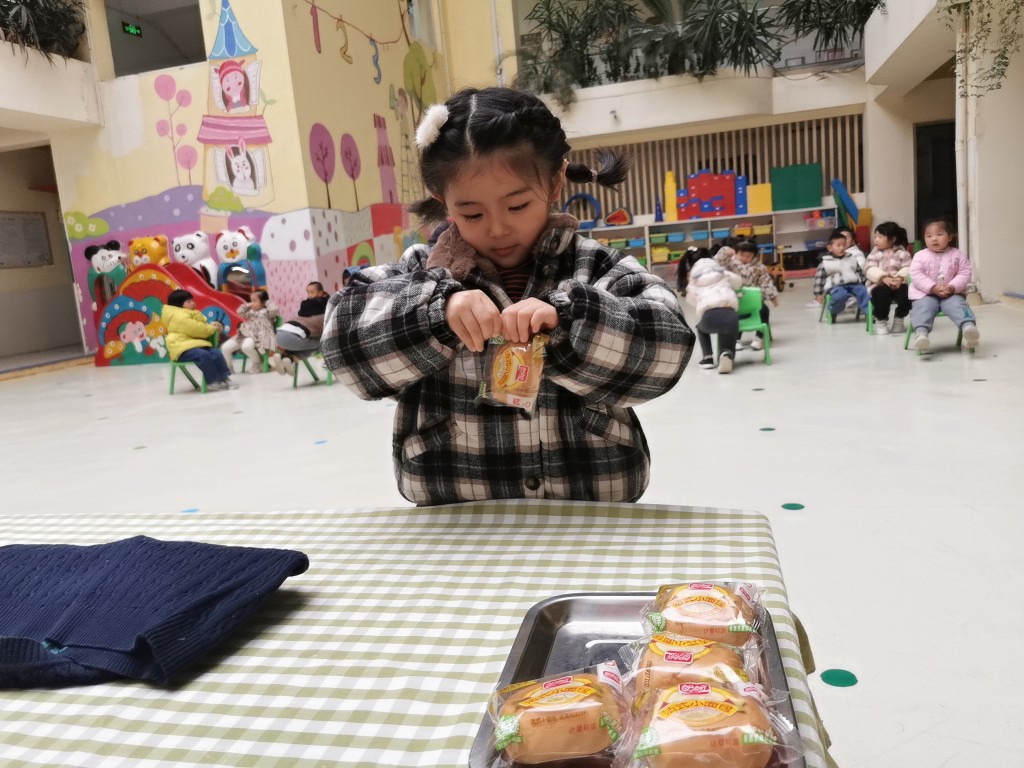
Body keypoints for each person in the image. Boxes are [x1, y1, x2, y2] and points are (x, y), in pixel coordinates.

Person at [320, 86, 693, 506]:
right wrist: (433, 314)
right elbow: (342, 344)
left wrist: (569, 322)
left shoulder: (597, 267)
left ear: (555, 182)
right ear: (444, 201)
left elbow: (668, 349)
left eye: (517, 206)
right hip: (456, 510)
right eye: (472, 213)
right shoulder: (420, 273)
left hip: (591, 505)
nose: (497, 229)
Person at [908, 218, 980, 351]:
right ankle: (921, 334)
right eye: (929, 236)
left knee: (958, 305)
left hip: (951, 293)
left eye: (939, 234)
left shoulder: (957, 254)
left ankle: (968, 328)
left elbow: (965, 272)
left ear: (950, 237)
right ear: (924, 239)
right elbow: (916, 275)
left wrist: (952, 286)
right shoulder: (919, 256)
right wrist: (932, 288)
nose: (934, 239)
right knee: (924, 307)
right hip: (925, 294)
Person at [161, 289, 236, 390]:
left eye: (192, 300)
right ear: (179, 304)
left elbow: (200, 325)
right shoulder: (179, 317)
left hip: (193, 345)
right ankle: (213, 381)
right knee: (203, 355)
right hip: (181, 349)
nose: (193, 303)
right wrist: (212, 328)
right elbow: (197, 329)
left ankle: (224, 378)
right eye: (189, 301)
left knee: (216, 353)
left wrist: (211, 325)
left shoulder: (190, 313)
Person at [715, 239, 777, 350]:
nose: (744, 258)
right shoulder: (731, 263)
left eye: (748, 256)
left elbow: (766, 282)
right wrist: (725, 252)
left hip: (753, 300)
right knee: (736, 316)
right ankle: (736, 338)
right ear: (736, 253)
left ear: (754, 256)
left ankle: (759, 337)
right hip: (735, 299)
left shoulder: (759, 267)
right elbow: (718, 262)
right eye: (741, 255)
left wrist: (772, 297)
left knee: (764, 310)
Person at [686, 258, 742, 374]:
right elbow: (738, 282)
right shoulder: (724, 274)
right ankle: (726, 353)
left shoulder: (694, 282)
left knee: (700, 329)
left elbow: (690, 300)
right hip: (730, 313)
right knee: (729, 333)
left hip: (709, 316)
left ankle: (708, 358)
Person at [272, 282, 329, 376]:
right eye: (308, 293)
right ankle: (293, 359)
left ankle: (286, 357)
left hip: (280, 334)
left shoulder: (303, 313)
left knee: (306, 343)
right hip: (293, 337)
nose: (309, 295)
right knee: (322, 344)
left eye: (312, 293)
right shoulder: (324, 316)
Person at [865, 221, 911, 335]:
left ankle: (899, 318)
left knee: (907, 294)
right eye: (875, 237)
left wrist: (900, 278)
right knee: (882, 295)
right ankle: (881, 320)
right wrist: (883, 278)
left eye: (880, 237)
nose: (876, 240)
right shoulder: (874, 254)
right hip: (880, 284)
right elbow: (869, 268)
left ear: (892, 239)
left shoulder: (903, 254)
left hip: (899, 283)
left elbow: (909, 268)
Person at [813, 231, 869, 321]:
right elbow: (819, 279)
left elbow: (859, 272)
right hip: (836, 286)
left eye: (844, 245)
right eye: (838, 245)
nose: (842, 248)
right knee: (840, 295)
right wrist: (818, 294)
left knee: (863, 292)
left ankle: (869, 312)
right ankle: (833, 310)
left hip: (853, 284)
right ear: (830, 248)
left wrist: (864, 283)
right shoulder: (825, 262)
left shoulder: (851, 258)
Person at [221, 290, 280, 374]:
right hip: (244, 334)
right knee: (225, 348)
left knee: (246, 347)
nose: (252, 303)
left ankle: (257, 363)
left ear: (263, 302)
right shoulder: (251, 312)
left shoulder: (267, 313)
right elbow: (240, 311)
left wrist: (266, 302)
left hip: (257, 336)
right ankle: (229, 368)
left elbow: (274, 309)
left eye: (254, 301)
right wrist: (247, 305)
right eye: (251, 300)